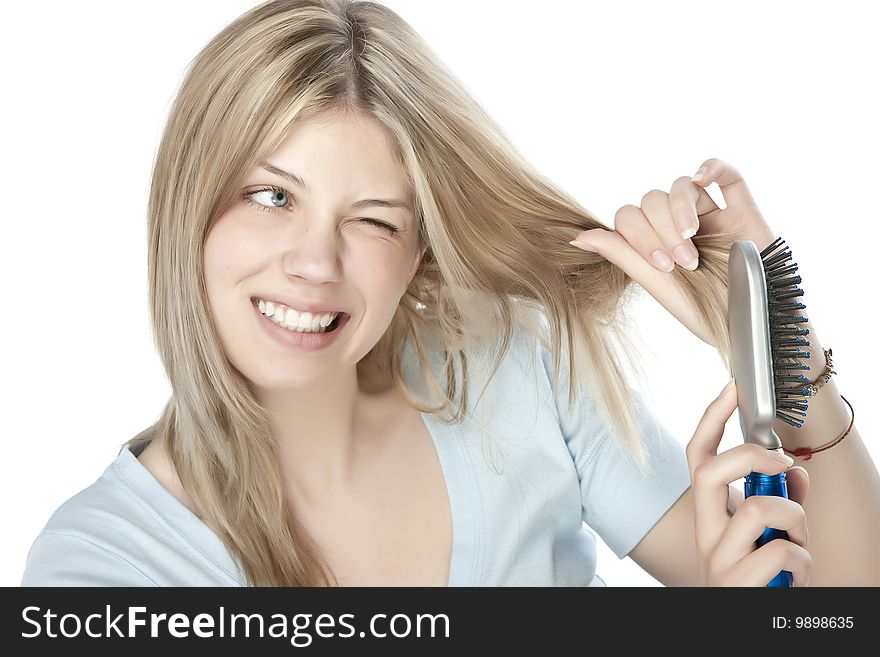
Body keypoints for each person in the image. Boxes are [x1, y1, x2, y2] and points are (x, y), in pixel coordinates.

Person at [21, 0, 879, 587]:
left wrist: (778, 348)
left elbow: (840, 607)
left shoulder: (516, 368)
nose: (314, 263)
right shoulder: (105, 566)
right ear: (188, 206)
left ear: (420, 249)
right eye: (272, 196)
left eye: (373, 220)